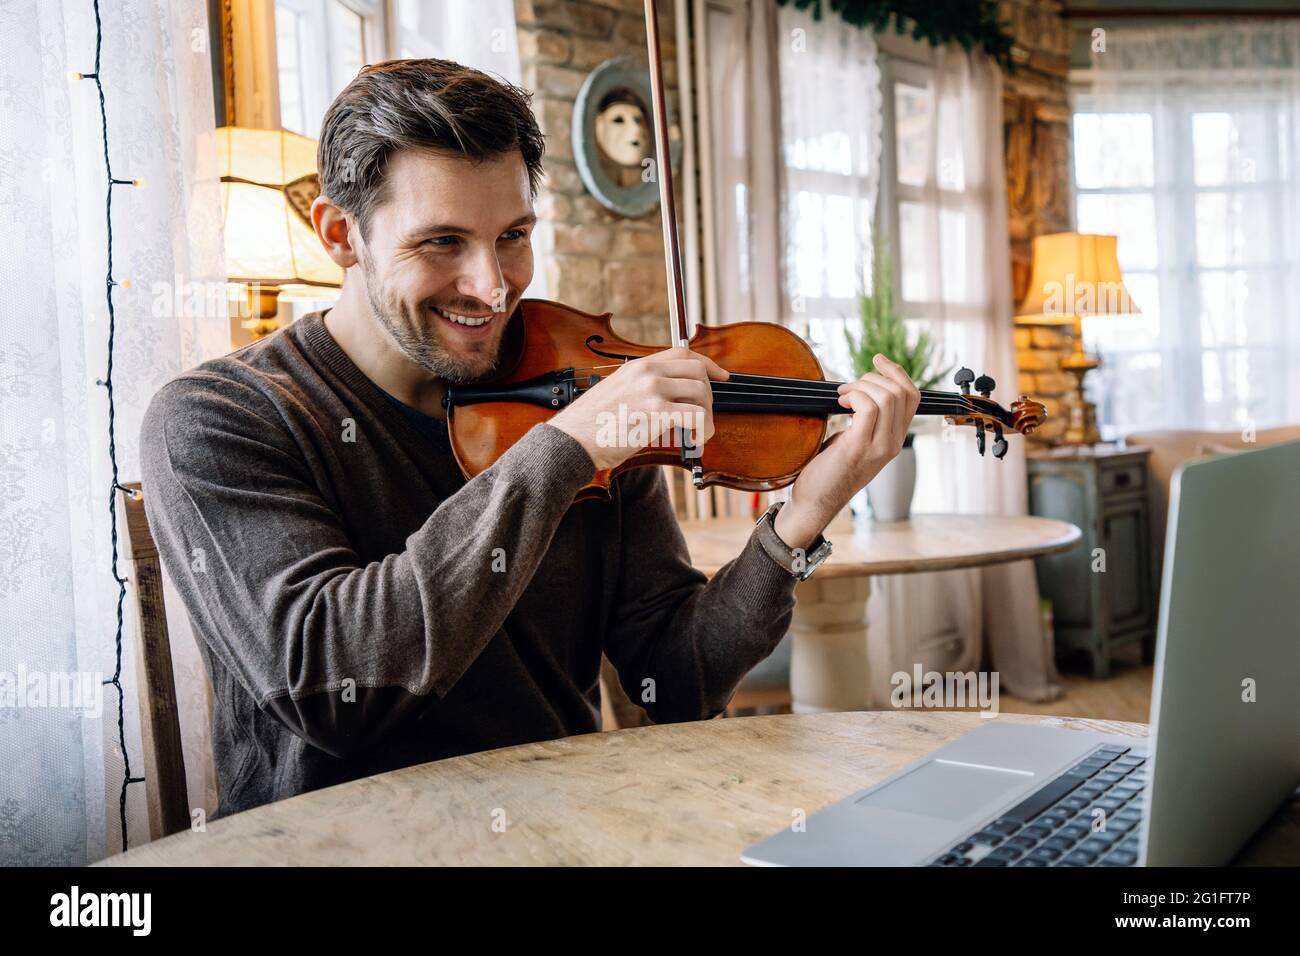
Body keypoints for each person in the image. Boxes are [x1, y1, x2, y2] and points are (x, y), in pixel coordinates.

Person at [141, 58, 919, 817]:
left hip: (558, 831)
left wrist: (798, 521)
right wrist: (567, 450)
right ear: (340, 234)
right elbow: (337, 687)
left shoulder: (577, 387)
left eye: (513, 234)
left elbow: (677, 681)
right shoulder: (219, 417)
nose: (493, 285)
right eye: (442, 242)